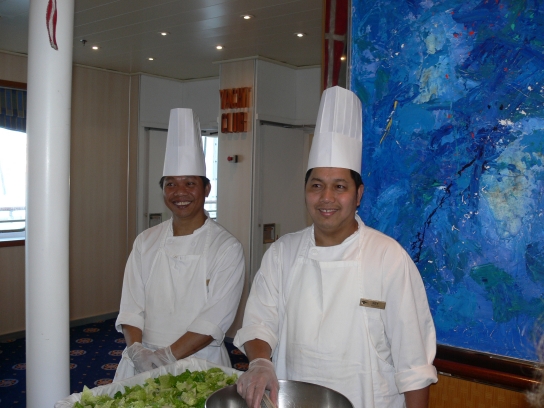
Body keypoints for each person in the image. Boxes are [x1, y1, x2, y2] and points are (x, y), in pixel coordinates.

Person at [234, 86, 438, 408]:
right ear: (305, 191)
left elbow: (414, 367)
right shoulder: (282, 253)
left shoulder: (389, 258)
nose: (326, 198)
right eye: (316, 185)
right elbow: (260, 321)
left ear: (358, 195)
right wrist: (260, 361)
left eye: (339, 186)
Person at [113, 108, 245, 381]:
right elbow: (131, 308)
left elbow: (214, 320)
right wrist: (138, 352)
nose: (180, 192)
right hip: (142, 360)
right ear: (163, 190)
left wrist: (166, 357)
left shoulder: (227, 247)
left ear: (206, 189)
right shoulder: (145, 241)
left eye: (190, 183)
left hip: (202, 363)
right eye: (171, 184)